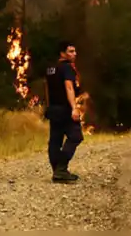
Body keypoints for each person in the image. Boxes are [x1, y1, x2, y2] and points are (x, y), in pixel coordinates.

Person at [44, 41, 84, 183]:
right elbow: (69, 87)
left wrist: (48, 106)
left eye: (75, 51)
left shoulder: (51, 68)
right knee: (76, 136)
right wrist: (74, 108)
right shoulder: (67, 68)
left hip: (54, 109)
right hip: (65, 109)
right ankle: (61, 169)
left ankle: (57, 172)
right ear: (62, 53)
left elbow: (47, 88)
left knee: (55, 140)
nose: (74, 54)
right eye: (71, 51)